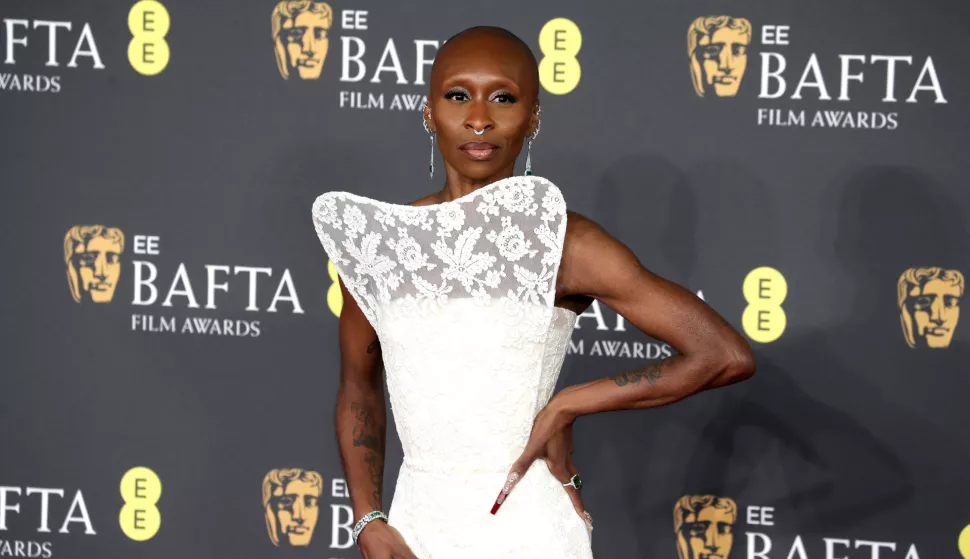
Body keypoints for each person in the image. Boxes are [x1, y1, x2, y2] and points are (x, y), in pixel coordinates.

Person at [310, 25, 755, 559]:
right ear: (428, 112)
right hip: (413, 528)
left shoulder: (565, 244)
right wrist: (368, 520)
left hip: (525, 526)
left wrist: (571, 402)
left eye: (503, 97)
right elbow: (359, 388)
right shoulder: (379, 245)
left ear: (534, 118)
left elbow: (723, 354)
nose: (479, 118)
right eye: (458, 96)